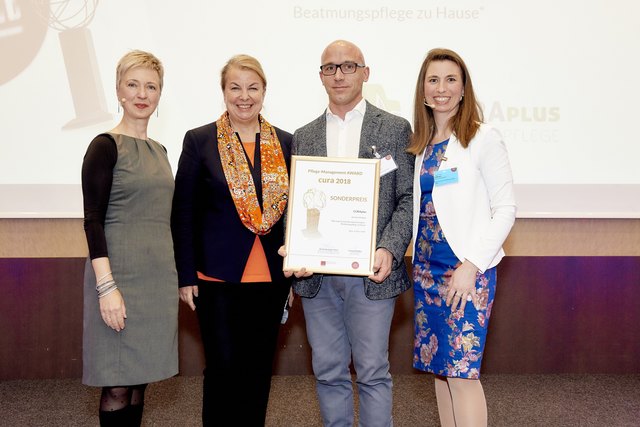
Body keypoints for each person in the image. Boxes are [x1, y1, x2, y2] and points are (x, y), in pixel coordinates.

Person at [284, 40, 414, 427]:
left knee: (373, 372)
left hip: (372, 273)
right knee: (327, 372)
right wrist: (296, 249)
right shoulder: (303, 136)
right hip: (317, 278)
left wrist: (389, 249)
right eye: (329, 68)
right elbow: (297, 204)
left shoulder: (393, 128)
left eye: (348, 66)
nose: (338, 75)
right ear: (320, 76)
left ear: (365, 73)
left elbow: (407, 198)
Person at [171, 54, 292, 426]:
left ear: (264, 92)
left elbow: (293, 213)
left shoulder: (286, 143)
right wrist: (186, 275)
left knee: (258, 371)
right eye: (235, 87)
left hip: (270, 279)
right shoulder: (200, 141)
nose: (244, 96)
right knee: (223, 369)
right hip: (217, 279)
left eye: (252, 88)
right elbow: (183, 212)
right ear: (223, 92)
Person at [408, 48, 517, 427]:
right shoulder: (420, 146)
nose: (442, 88)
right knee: (441, 368)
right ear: (423, 90)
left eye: (451, 79)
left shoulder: (483, 138)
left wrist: (472, 265)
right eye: (433, 80)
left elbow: (506, 209)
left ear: (464, 88)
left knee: (462, 371)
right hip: (425, 272)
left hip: (466, 273)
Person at [81, 50, 178, 426]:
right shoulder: (105, 146)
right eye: (133, 84)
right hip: (117, 281)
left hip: (156, 282)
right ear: (119, 90)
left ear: (159, 94)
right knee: (117, 386)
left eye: (151, 86)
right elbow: (93, 222)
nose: (142, 94)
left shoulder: (162, 151)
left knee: (140, 382)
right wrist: (107, 289)